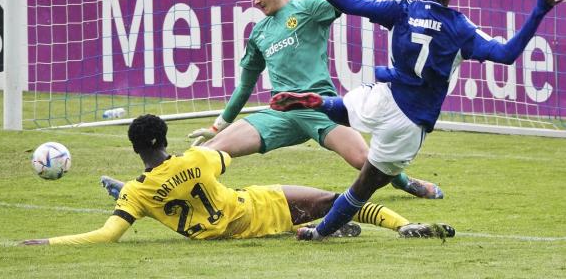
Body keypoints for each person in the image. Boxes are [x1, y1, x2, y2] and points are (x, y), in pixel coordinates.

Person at [270, 0, 566, 240]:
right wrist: (540, 8)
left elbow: (346, 3)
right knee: (365, 186)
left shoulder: (402, 8)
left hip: (383, 95)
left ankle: (321, 103)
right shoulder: (460, 28)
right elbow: (507, 54)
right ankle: (318, 233)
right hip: (410, 121)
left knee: (346, 109)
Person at [188, 0, 443, 199]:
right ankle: (185, 193)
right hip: (281, 112)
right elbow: (245, 85)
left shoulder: (308, 9)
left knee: (367, 162)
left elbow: (347, 3)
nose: (254, 1)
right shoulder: (258, 33)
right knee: (210, 151)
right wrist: (217, 126)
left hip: (319, 106)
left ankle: (408, 183)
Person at [22, 114, 454, 245]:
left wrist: (46, 243)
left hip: (216, 230)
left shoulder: (141, 191)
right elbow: (228, 151)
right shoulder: (197, 159)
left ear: (137, 148)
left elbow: (105, 235)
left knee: (149, 200)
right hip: (257, 206)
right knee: (336, 198)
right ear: (164, 138)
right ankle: (403, 225)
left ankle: (332, 229)